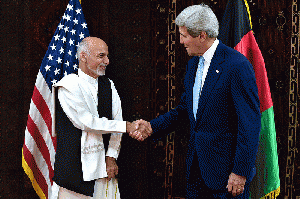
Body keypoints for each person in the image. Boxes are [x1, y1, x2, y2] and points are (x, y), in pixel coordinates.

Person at [132, 3, 261, 199]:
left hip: (228, 177)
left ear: (202, 35)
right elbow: (186, 109)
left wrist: (240, 171)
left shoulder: (236, 66)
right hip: (197, 172)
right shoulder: (193, 65)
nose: (181, 41)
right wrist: (152, 127)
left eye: (184, 36)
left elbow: (249, 124)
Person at [52, 36, 151, 199]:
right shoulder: (67, 86)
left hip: (103, 170)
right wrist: (128, 126)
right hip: (73, 174)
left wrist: (111, 156)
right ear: (83, 56)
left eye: (107, 56)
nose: (107, 61)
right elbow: (85, 122)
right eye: (101, 56)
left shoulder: (108, 85)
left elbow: (117, 121)